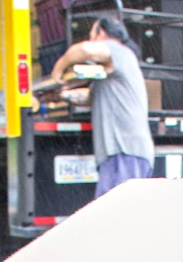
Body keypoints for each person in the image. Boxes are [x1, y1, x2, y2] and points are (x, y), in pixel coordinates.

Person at [50, 16, 155, 198]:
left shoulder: (118, 51)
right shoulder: (111, 74)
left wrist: (58, 69)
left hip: (124, 153)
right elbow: (90, 97)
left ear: (101, 34)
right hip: (126, 155)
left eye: (91, 35)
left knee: (112, 220)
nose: (90, 39)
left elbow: (83, 50)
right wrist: (59, 95)